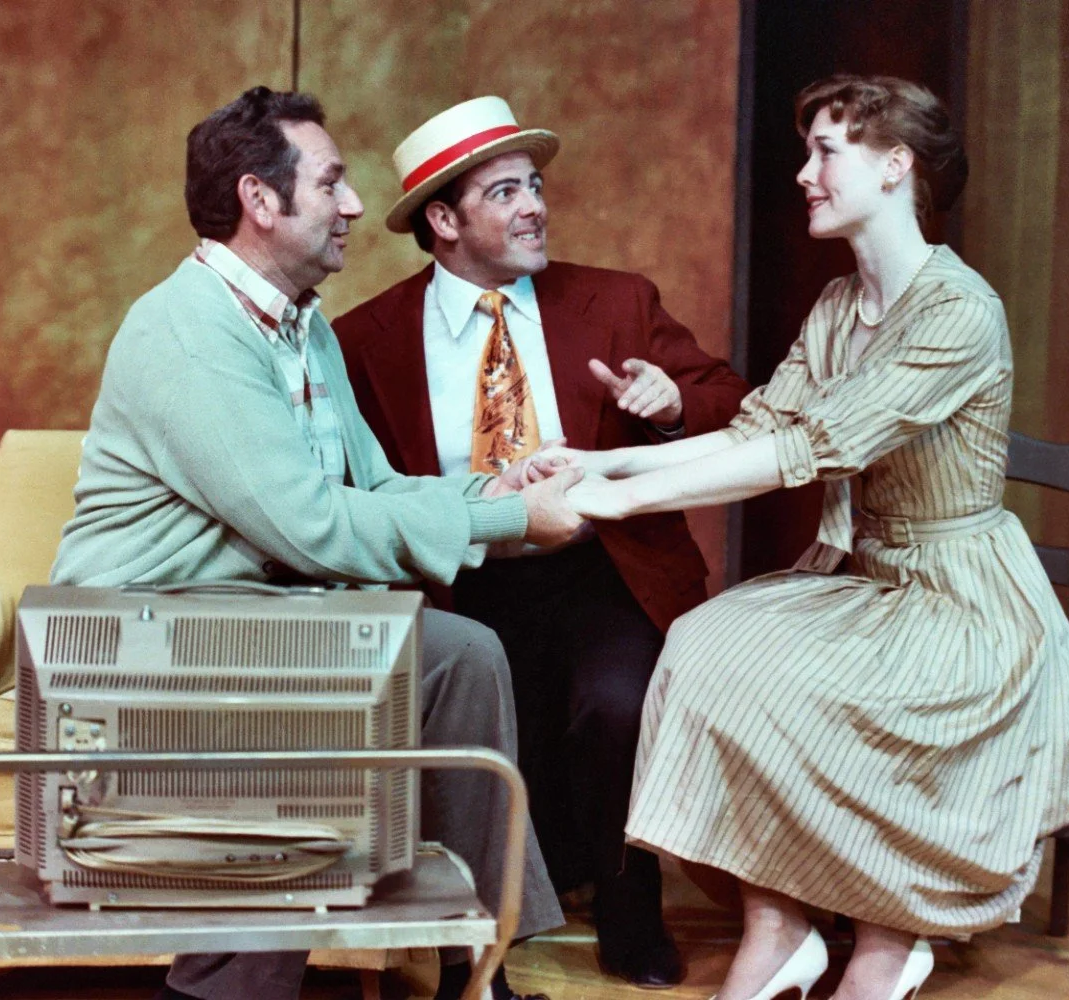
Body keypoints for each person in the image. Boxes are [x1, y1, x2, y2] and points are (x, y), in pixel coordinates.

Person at [548, 74, 1069, 1000]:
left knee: (839, 690)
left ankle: (890, 946)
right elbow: (756, 430)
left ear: (896, 167)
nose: (804, 173)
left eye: (826, 152)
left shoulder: (960, 312)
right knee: (706, 647)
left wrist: (623, 504)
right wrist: (597, 468)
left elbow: (815, 446)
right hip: (866, 576)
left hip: (964, 600)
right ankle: (780, 931)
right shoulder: (837, 307)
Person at [50, 86, 580, 1000]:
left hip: (246, 622)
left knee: (460, 656)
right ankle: (222, 987)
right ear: (261, 200)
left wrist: (496, 487)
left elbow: (368, 487)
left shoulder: (300, 321)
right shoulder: (187, 331)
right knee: (320, 690)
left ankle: (475, 964)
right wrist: (505, 525)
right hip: (134, 643)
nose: (355, 207)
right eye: (331, 183)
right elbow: (315, 527)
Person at [332, 96, 752, 988]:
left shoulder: (618, 301)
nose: (534, 207)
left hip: (604, 568)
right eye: (505, 192)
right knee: (482, 719)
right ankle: (488, 912)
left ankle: (631, 901)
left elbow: (732, 399)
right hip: (464, 576)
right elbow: (351, 490)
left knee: (616, 703)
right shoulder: (365, 340)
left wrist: (671, 405)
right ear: (443, 222)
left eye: (535, 185)